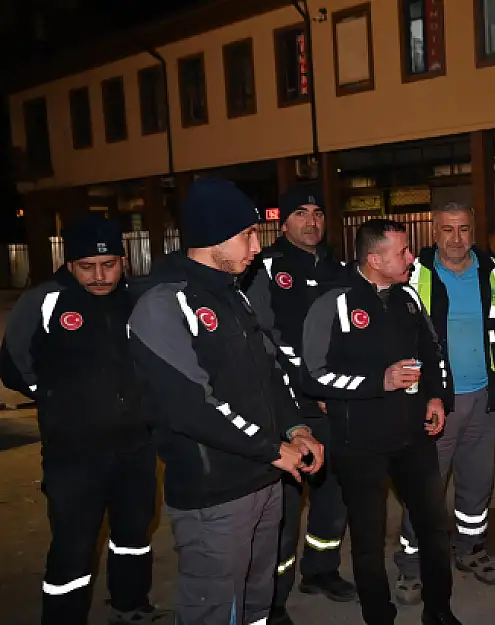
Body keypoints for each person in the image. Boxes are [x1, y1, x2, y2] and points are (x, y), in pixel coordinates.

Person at [128, 177, 325, 625]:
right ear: (212, 236)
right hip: (213, 491)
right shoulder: (163, 303)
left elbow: (270, 373)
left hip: (263, 478)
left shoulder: (233, 294)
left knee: (256, 604)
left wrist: (296, 427)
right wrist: (273, 448)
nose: (258, 247)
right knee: (215, 611)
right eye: (248, 235)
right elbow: (192, 405)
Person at [0, 216, 163, 625]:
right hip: (74, 453)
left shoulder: (138, 299)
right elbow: (14, 365)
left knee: (133, 535)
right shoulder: (44, 301)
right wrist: (58, 397)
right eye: (87, 266)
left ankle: (130, 605)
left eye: (108, 264)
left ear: (123, 261)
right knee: (73, 546)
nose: (99, 275)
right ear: (69, 264)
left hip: (136, 447)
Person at [300, 219, 462, 625]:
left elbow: (432, 351)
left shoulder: (408, 296)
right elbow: (313, 375)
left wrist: (437, 397)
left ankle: (439, 612)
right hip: (361, 444)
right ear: (374, 259)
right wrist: (379, 381)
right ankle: (379, 615)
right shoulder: (333, 302)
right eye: (402, 253)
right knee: (368, 541)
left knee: (435, 529)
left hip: (413, 438)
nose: (412, 258)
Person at [242, 185, 354, 623]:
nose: (311, 221)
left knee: (333, 492)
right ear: (284, 222)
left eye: (318, 213)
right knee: (285, 509)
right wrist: (314, 382)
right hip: (287, 408)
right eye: (301, 213)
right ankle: (273, 598)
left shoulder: (338, 267)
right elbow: (264, 338)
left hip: (331, 403)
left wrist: (339, 385)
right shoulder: (264, 268)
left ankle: (321, 570)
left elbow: (348, 332)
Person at [393, 203, 495, 601]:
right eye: (448, 229)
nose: (456, 238)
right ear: (435, 231)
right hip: (434, 403)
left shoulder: (494, 272)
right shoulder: (413, 273)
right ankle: (412, 565)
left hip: (483, 398)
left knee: (477, 484)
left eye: (464, 229)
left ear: (473, 230)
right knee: (425, 487)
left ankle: (471, 549)